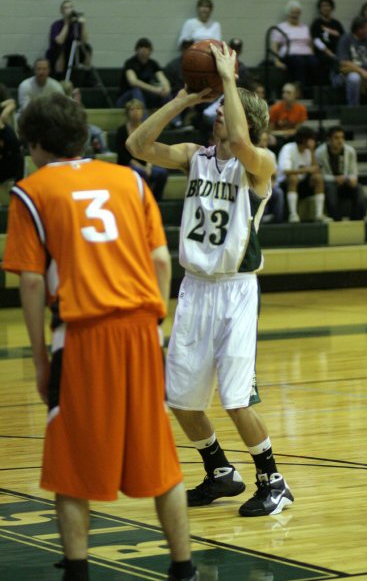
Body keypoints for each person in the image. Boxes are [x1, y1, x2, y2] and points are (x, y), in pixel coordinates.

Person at [1, 93, 197, 581]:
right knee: (160, 457)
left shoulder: (31, 191)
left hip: (84, 334)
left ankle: (78, 570)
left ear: (36, 144)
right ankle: (184, 568)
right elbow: (159, 261)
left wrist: (41, 359)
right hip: (141, 330)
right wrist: (156, 328)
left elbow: (29, 281)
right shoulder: (129, 179)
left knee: (70, 461)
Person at [126, 41, 294, 517]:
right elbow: (136, 146)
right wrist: (183, 99)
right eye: (217, 109)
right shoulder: (193, 156)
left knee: (237, 399)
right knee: (179, 397)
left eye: (223, 110)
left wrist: (229, 80)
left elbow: (241, 142)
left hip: (236, 292)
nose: (217, 115)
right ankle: (221, 472)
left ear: (247, 120)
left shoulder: (260, 164)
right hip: (194, 287)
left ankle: (274, 481)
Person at [116, 98, 168, 201]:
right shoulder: (121, 131)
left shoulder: (147, 129)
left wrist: (148, 165)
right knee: (140, 172)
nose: (136, 112)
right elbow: (122, 154)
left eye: (139, 109)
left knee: (162, 173)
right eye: (132, 109)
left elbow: (152, 148)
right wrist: (141, 166)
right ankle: (143, 200)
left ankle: (156, 200)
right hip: (128, 164)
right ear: (127, 113)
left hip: (146, 162)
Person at [315, 125, 367, 221]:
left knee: (358, 188)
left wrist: (351, 178)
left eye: (342, 137)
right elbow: (319, 175)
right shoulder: (319, 152)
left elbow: (353, 171)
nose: (340, 141)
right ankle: (336, 220)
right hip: (329, 183)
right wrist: (335, 179)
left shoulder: (350, 151)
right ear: (329, 139)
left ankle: (356, 219)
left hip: (345, 181)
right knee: (330, 189)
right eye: (336, 138)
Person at [277, 126, 326, 223]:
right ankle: (293, 214)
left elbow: (315, 170)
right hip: (286, 184)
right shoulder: (288, 148)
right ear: (304, 139)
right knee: (293, 178)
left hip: (303, 183)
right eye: (311, 139)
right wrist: (306, 169)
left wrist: (312, 151)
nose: (314, 142)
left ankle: (319, 214)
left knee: (318, 178)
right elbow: (286, 171)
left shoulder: (309, 151)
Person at [270, 0, 318, 88]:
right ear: (288, 13)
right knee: (299, 63)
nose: (295, 15)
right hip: (290, 55)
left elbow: (310, 44)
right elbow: (275, 46)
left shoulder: (305, 27)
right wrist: (277, 61)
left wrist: (312, 54)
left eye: (297, 13)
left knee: (314, 63)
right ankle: (300, 90)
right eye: (293, 12)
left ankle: (311, 91)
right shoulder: (281, 27)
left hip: (306, 54)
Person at [116, 37, 171, 110]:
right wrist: (154, 89)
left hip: (145, 96)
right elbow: (133, 82)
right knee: (136, 91)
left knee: (165, 93)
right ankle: (143, 120)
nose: (143, 49)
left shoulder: (153, 64)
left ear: (150, 50)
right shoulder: (130, 63)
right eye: (141, 47)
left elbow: (162, 78)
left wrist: (166, 88)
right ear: (136, 50)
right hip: (126, 98)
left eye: (146, 47)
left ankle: (176, 121)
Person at [46, 0, 92, 80]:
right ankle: (60, 77)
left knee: (87, 48)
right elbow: (60, 41)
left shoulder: (77, 24)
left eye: (70, 7)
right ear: (61, 11)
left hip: (73, 50)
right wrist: (67, 23)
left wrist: (83, 25)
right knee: (61, 49)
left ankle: (87, 77)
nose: (68, 9)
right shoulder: (56, 24)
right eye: (66, 8)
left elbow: (84, 40)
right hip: (58, 50)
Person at [310, 0, 345, 83]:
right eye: (323, 6)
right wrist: (328, 52)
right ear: (320, 9)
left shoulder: (337, 23)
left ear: (332, 8)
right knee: (332, 60)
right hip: (322, 53)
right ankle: (335, 83)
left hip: (337, 52)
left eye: (327, 5)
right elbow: (316, 41)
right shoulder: (316, 23)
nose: (325, 8)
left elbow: (343, 39)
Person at [259, 130, 284, 224]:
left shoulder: (271, 154)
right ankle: (262, 217)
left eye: (265, 140)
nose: (263, 143)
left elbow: (274, 175)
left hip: (268, 184)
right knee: (260, 191)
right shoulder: (251, 153)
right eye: (261, 140)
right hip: (254, 185)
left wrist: (271, 185)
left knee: (278, 192)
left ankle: (278, 221)